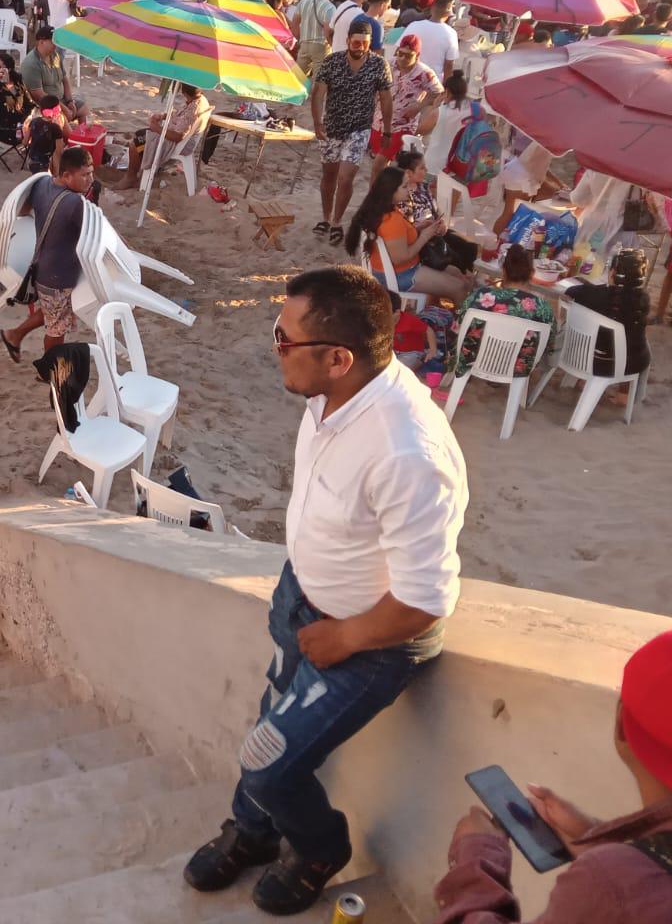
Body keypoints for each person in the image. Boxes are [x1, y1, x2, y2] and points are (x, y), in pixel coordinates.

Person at [182, 266, 466, 915]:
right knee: (268, 716)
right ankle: (252, 833)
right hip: (302, 601)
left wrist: (346, 636)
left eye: (285, 339)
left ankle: (317, 849)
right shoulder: (329, 395)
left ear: (338, 358)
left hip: (371, 639)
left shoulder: (407, 452)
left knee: (268, 761)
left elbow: (426, 597)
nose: (274, 346)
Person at [431, 629, 672, 923]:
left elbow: (633, 892)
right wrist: (590, 836)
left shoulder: (610, 882)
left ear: (621, 724)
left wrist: (475, 856)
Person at [0, 149, 94, 361]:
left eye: (91, 173)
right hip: (59, 275)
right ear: (67, 175)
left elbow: (23, 209)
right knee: (56, 329)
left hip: (42, 266)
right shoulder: (75, 204)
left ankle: (14, 335)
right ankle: (48, 369)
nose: (90, 180)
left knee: (54, 312)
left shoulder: (43, 184)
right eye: (85, 175)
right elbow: (94, 239)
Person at [312, 18, 394, 244]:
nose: (360, 47)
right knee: (329, 175)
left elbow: (386, 99)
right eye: (356, 42)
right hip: (331, 127)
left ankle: (337, 222)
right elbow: (318, 94)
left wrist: (387, 130)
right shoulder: (332, 62)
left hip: (359, 129)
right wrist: (317, 123)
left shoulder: (379, 65)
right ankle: (326, 218)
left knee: (346, 177)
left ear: (370, 44)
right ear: (347, 40)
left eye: (364, 43)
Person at [346, 167, 473, 301]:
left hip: (393, 269)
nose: (410, 189)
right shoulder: (391, 220)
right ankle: (461, 320)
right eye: (405, 186)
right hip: (401, 274)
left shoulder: (381, 208)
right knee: (459, 287)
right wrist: (425, 236)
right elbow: (401, 258)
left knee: (457, 273)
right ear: (391, 190)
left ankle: (438, 312)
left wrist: (418, 228)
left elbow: (396, 238)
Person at [450, 243, 553, 381]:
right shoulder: (543, 307)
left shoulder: (482, 295)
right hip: (517, 367)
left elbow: (457, 326)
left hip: (474, 357)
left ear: (504, 271)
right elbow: (549, 344)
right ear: (532, 273)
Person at [566, 249, 652, 388]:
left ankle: (586, 382)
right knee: (639, 342)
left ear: (612, 273)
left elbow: (570, 291)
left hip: (595, 363)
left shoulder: (595, 295)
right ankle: (624, 394)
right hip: (634, 364)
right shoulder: (643, 298)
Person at [370, 33, 443, 177]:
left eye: (408, 56)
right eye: (400, 54)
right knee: (383, 165)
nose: (402, 58)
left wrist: (420, 105)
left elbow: (439, 92)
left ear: (417, 55)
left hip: (403, 125)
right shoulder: (387, 64)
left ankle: (373, 197)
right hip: (379, 121)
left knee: (378, 164)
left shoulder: (424, 73)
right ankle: (386, 196)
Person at [21, 24, 87, 124]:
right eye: (52, 41)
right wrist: (64, 109)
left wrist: (69, 101)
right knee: (62, 121)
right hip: (46, 106)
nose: (56, 44)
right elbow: (39, 96)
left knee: (83, 109)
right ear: (41, 42)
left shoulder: (55, 55)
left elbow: (64, 79)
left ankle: (82, 135)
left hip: (62, 100)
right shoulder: (32, 64)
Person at [403, 0, 460, 84]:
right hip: (432, 83)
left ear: (432, 9)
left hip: (407, 79)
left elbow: (398, 52)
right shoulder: (451, 34)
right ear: (448, 14)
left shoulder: (414, 25)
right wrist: (445, 89)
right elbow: (448, 66)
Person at [290, 0, 339, 77]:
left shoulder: (304, 1)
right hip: (321, 47)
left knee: (298, 77)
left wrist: (299, 39)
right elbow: (328, 32)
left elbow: (294, 24)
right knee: (319, 81)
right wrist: (335, 48)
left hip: (304, 44)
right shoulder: (330, 7)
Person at [388, 289, 439, 372]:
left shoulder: (409, 321)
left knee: (400, 370)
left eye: (387, 316)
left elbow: (428, 330)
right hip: (394, 352)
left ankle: (422, 363)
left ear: (397, 313)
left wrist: (433, 350)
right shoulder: (381, 321)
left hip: (412, 353)